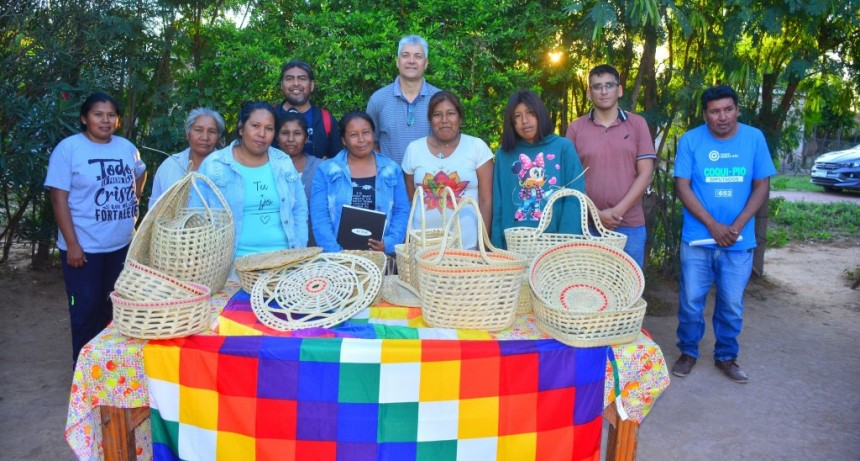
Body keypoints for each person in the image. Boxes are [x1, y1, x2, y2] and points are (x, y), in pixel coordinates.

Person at [671, 84, 776, 384]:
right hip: (697, 239)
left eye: (728, 109)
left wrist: (738, 225)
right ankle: (688, 352)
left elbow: (761, 186)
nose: (722, 117)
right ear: (705, 114)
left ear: (737, 110)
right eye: (715, 111)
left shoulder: (754, 139)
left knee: (731, 302)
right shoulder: (691, 140)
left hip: (739, 240)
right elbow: (683, 187)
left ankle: (726, 356)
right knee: (691, 300)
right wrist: (714, 226)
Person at [44, 92, 147, 364]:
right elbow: (58, 198)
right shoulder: (69, 149)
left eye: (111, 115)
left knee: (115, 309)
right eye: (98, 114)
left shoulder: (126, 147)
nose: (105, 120)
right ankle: (84, 373)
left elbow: (141, 172)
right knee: (85, 311)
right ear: (84, 118)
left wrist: (134, 202)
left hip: (121, 246)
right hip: (84, 249)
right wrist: (73, 244)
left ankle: (110, 370)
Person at [565, 64, 656, 268]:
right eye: (597, 87)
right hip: (586, 225)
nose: (604, 91)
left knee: (628, 291)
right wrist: (596, 213)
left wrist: (617, 211)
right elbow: (570, 179)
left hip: (629, 225)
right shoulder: (575, 128)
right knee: (587, 292)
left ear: (620, 90)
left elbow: (646, 173)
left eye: (609, 85)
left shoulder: (637, 124)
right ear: (589, 93)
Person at [197, 102, 307, 257]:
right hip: (233, 266)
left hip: (284, 261)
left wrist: (299, 251)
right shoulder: (215, 165)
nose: (261, 134)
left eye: (269, 128)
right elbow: (196, 214)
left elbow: (299, 209)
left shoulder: (283, 162)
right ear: (241, 128)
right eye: (255, 126)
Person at [491, 90, 585, 250]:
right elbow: (498, 201)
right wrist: (497, 245)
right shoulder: (504, 154)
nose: (524, 121)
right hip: (514, 246)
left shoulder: (563, 148)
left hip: (554, 245)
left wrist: (567, 245)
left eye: (530, 113)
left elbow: (574, 198)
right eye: (517, 116)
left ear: (540, 114)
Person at [402, 91, 494, 249]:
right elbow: (412, 198)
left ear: (460, 117)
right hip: (422, 246)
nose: (444, 120)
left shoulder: (477, 147)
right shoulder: (414, 149)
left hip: (467, 246)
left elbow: (486, 202)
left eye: (450, 114)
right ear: (430, 120)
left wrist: (482, 244)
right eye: (437, 115)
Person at [310, 111, 409, 255]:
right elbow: (319, 216)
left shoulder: (392, 169)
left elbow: (402, 210)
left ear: (373, 135)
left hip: (380, 256)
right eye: (353, 135)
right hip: (339, 258)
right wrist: (337, 253)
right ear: (344, 140)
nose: (361, 139)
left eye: (366, 132)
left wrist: (388, 244)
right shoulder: (326, 171)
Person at [366, 35, 440, 165]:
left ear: (426, 63)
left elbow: (448, 143)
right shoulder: (378, 100)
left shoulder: (439, 99)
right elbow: (370, 142)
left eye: (418, 56)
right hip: (389, 182)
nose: (411, 61)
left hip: (429, 181)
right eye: (406, 55)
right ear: (397, 61)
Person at [149, 108, 225, 207]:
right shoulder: (169, 166)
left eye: (212, 132)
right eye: (198, 130)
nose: (205, 137)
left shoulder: (228, 168)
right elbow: (154, 210)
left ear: (218, 136)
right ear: (188, 134)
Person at [274, 61, 342, 159]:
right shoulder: (270, 116)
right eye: (289, 79)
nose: (296, 83)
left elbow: (337, 159)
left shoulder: (326, 119)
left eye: (302, 79)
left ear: (312, 85)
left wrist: (327, 165)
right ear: (281, 85)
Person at [275, 111, 322, 245]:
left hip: (315, 246)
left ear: (306, 138)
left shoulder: (320, 168)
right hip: (278, 247)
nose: (291, 139)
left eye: (297, 133)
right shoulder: (267, 168)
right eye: (285, 133)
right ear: (277, 137)